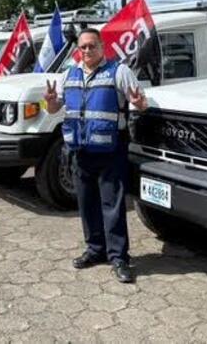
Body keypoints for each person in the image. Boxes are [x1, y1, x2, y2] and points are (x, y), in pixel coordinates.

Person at [43, 28, 147, 284]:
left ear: (102, 47)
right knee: (87, 204)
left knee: (112, 206)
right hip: (80, 151)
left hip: (111, 151)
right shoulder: (69, 74)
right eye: (83, 47)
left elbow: (140, 103)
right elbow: (56, 107)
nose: (87, 51)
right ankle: (95, 250)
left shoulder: (119, 71)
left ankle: (119, 257)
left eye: (92, 46)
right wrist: (50, 101)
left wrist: (139, 102)